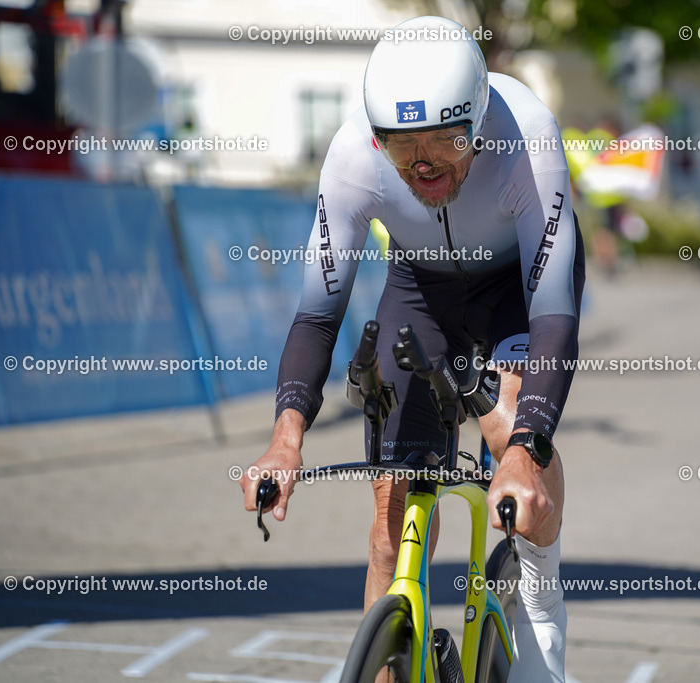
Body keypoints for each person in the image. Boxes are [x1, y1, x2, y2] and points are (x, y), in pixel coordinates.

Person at [239, 15, 584, 682]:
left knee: (513, 432)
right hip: (421, 290)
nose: (424, 163)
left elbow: (554, 317)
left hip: (517, 287)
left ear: (478, 123)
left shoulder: (528, 136)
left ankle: (539, 598)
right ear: (376, 137)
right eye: (402, 147)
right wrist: (285, 438)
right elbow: (317, 316)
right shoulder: (351, 158)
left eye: (448, 142)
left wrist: (523, 448)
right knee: (389, 521)